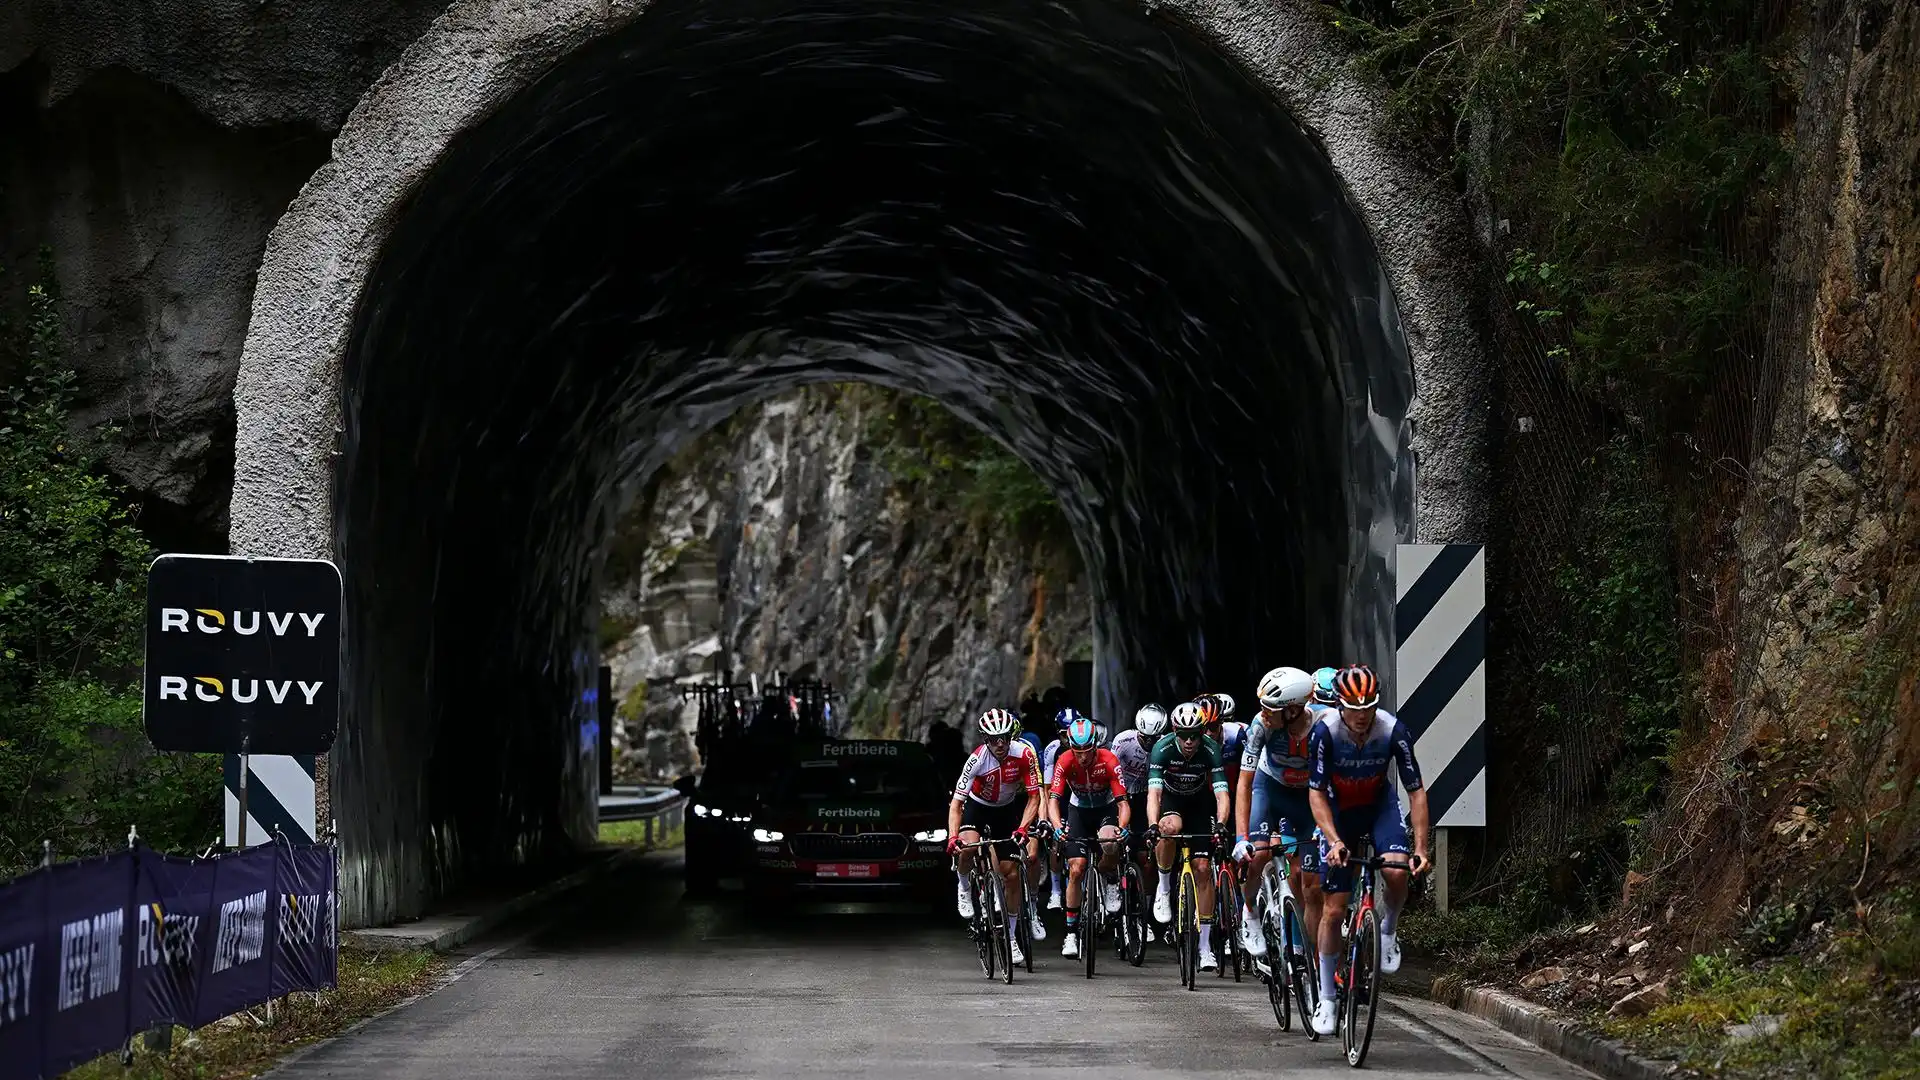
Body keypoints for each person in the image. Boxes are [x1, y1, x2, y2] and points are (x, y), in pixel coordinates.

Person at [1306, 666, 1430, 1035]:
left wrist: (1420, 848)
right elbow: (1315, 792)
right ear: (1341, 705)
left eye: (1369, 707)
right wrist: (1334, 841)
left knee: (1396, 870)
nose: (1362, 716)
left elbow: (1416, 791)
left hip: (1378, 807)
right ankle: (1327, 998)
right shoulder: (1324, 731)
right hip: (1337, 811)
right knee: (1333, 909)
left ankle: (1388, 930)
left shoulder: (1393, 730)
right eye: (1354, 708)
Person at [1233, 666, 1322, 959]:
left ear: (1294, 710)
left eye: (1270, 707)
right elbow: (1244, 783)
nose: (1263, 712)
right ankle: (1249, 912)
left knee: (1308, 881)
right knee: (1257, 854)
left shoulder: (1325, 724)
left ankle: (1302, 952)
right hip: (1270, 788)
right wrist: (1240, 836)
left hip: (1308, 797)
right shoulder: (1261, 725)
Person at [947, 707, 1044, 967]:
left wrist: (1023, 828)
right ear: (984, 739)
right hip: (978, 808)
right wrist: (952, 838)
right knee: (967, 848)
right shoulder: (976, 760)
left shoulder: (1024, 753)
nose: (1000, 744)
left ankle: (1010, 938)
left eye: (1004, 737)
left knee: (1010, 874)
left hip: (1006, 810)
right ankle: (964, 885)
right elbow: (957, 804)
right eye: (993, 739)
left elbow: (1035, 796)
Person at [1145, 701, 1231, 972]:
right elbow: (1154, 794)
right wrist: (1151, 824)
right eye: (1183, 734)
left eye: (1195, 734)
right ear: (1174, 731)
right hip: (1172, 801)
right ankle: (1164, 886)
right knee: (1168, 829)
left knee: (1203, 869)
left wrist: (1221, 823)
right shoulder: (1162, 748)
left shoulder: (1210, 748)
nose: (1190, 741)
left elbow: (1221, 794)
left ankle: (1205, 948)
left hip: (1199, 803)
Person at [1047, 716, 1131, 958]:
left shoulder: (1109, 760)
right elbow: (1054, 799)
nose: (1082, 756)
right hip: (1079, 811)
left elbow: (1122, 802)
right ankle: (1071, 933)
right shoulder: (1064, 760)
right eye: (1077, 751)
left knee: (1109, 841)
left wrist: (1122, 827)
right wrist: (1056, 826)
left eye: (1087, 751)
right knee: (1076, 869)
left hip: (1105, 809)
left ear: (1096, 746)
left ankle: (1110, 878)